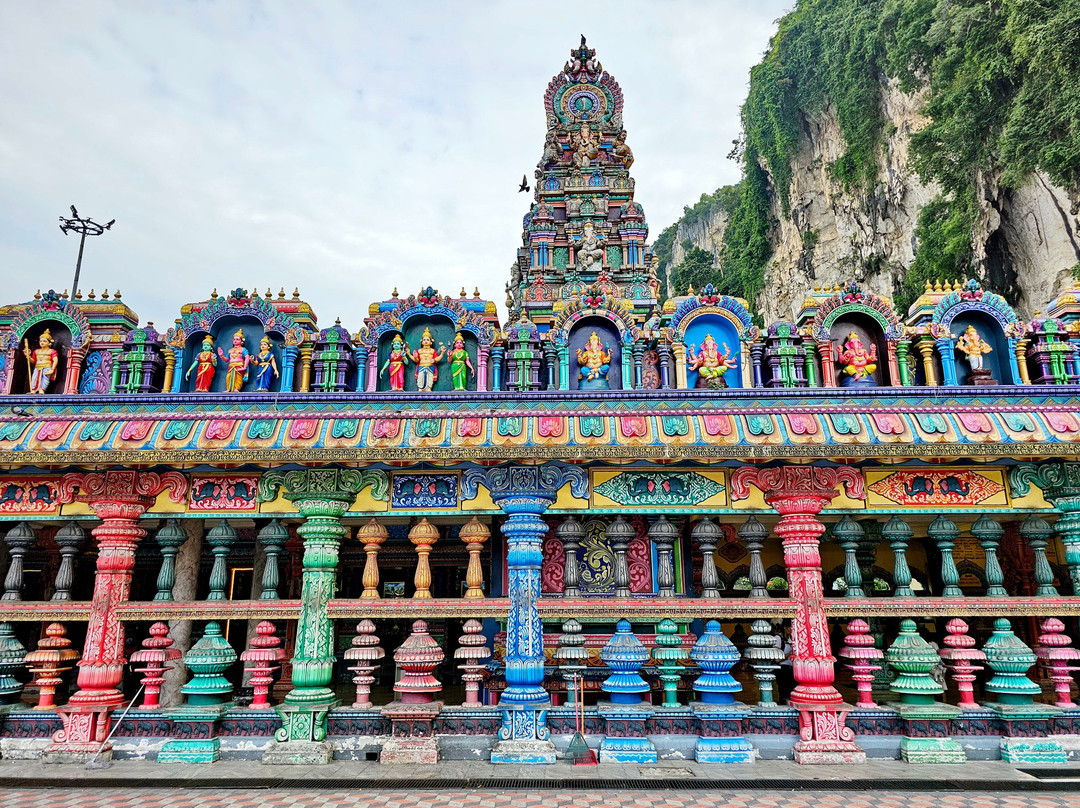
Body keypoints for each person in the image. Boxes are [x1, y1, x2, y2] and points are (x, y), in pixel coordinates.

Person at [23, 329, 59, 394]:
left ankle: (41, 390)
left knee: (45, 379)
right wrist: (28, 356)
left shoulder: (52, 351)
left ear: (49, 343)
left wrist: (52, 369)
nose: (42, 343)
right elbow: (33, 361)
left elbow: (55, 360)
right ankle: (33, 390)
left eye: (44, 341)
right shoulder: (36, 351)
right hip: (37, 367)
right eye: (41, 341)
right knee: (34, 378)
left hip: (47, 367)